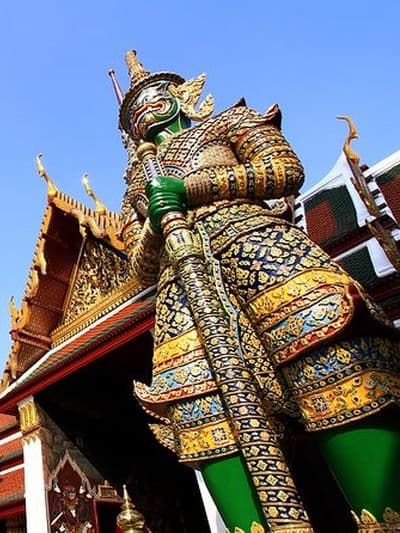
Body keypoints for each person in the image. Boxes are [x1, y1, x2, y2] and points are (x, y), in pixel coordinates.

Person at [118, 50, 400, 532]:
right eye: (132, 108)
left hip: (258, 245)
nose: (144, 105)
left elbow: (285, 171)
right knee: (197, 403)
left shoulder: (229, 122)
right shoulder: (136, 185)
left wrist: (194, 190)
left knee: (323, 341)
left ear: (182, 95)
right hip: (182, 289)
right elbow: (138, 267)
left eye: (153, 94)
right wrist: (157, 218)